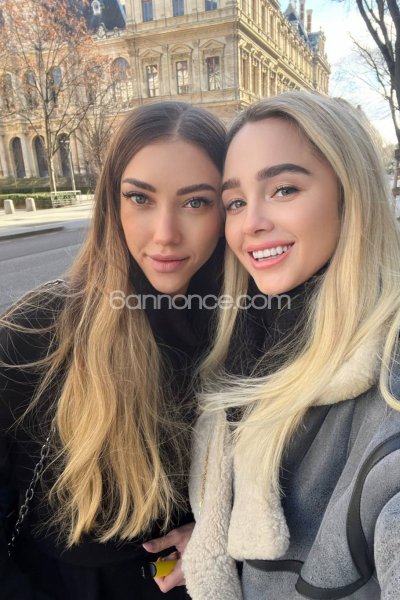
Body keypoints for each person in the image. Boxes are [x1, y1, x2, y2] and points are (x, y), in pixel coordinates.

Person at [0, 101, 225, 600]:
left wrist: (219, 534)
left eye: (196, 202)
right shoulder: (38, 331)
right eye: (140, 198)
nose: (165, 234)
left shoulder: (245, 328)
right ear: (111, 204)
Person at [182, 92, 400, 600]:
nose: (250, 222)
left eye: (283, 189)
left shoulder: (387, 376)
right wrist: (219, 541)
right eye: (235, 202)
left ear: (351, 195)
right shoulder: (249, 335)